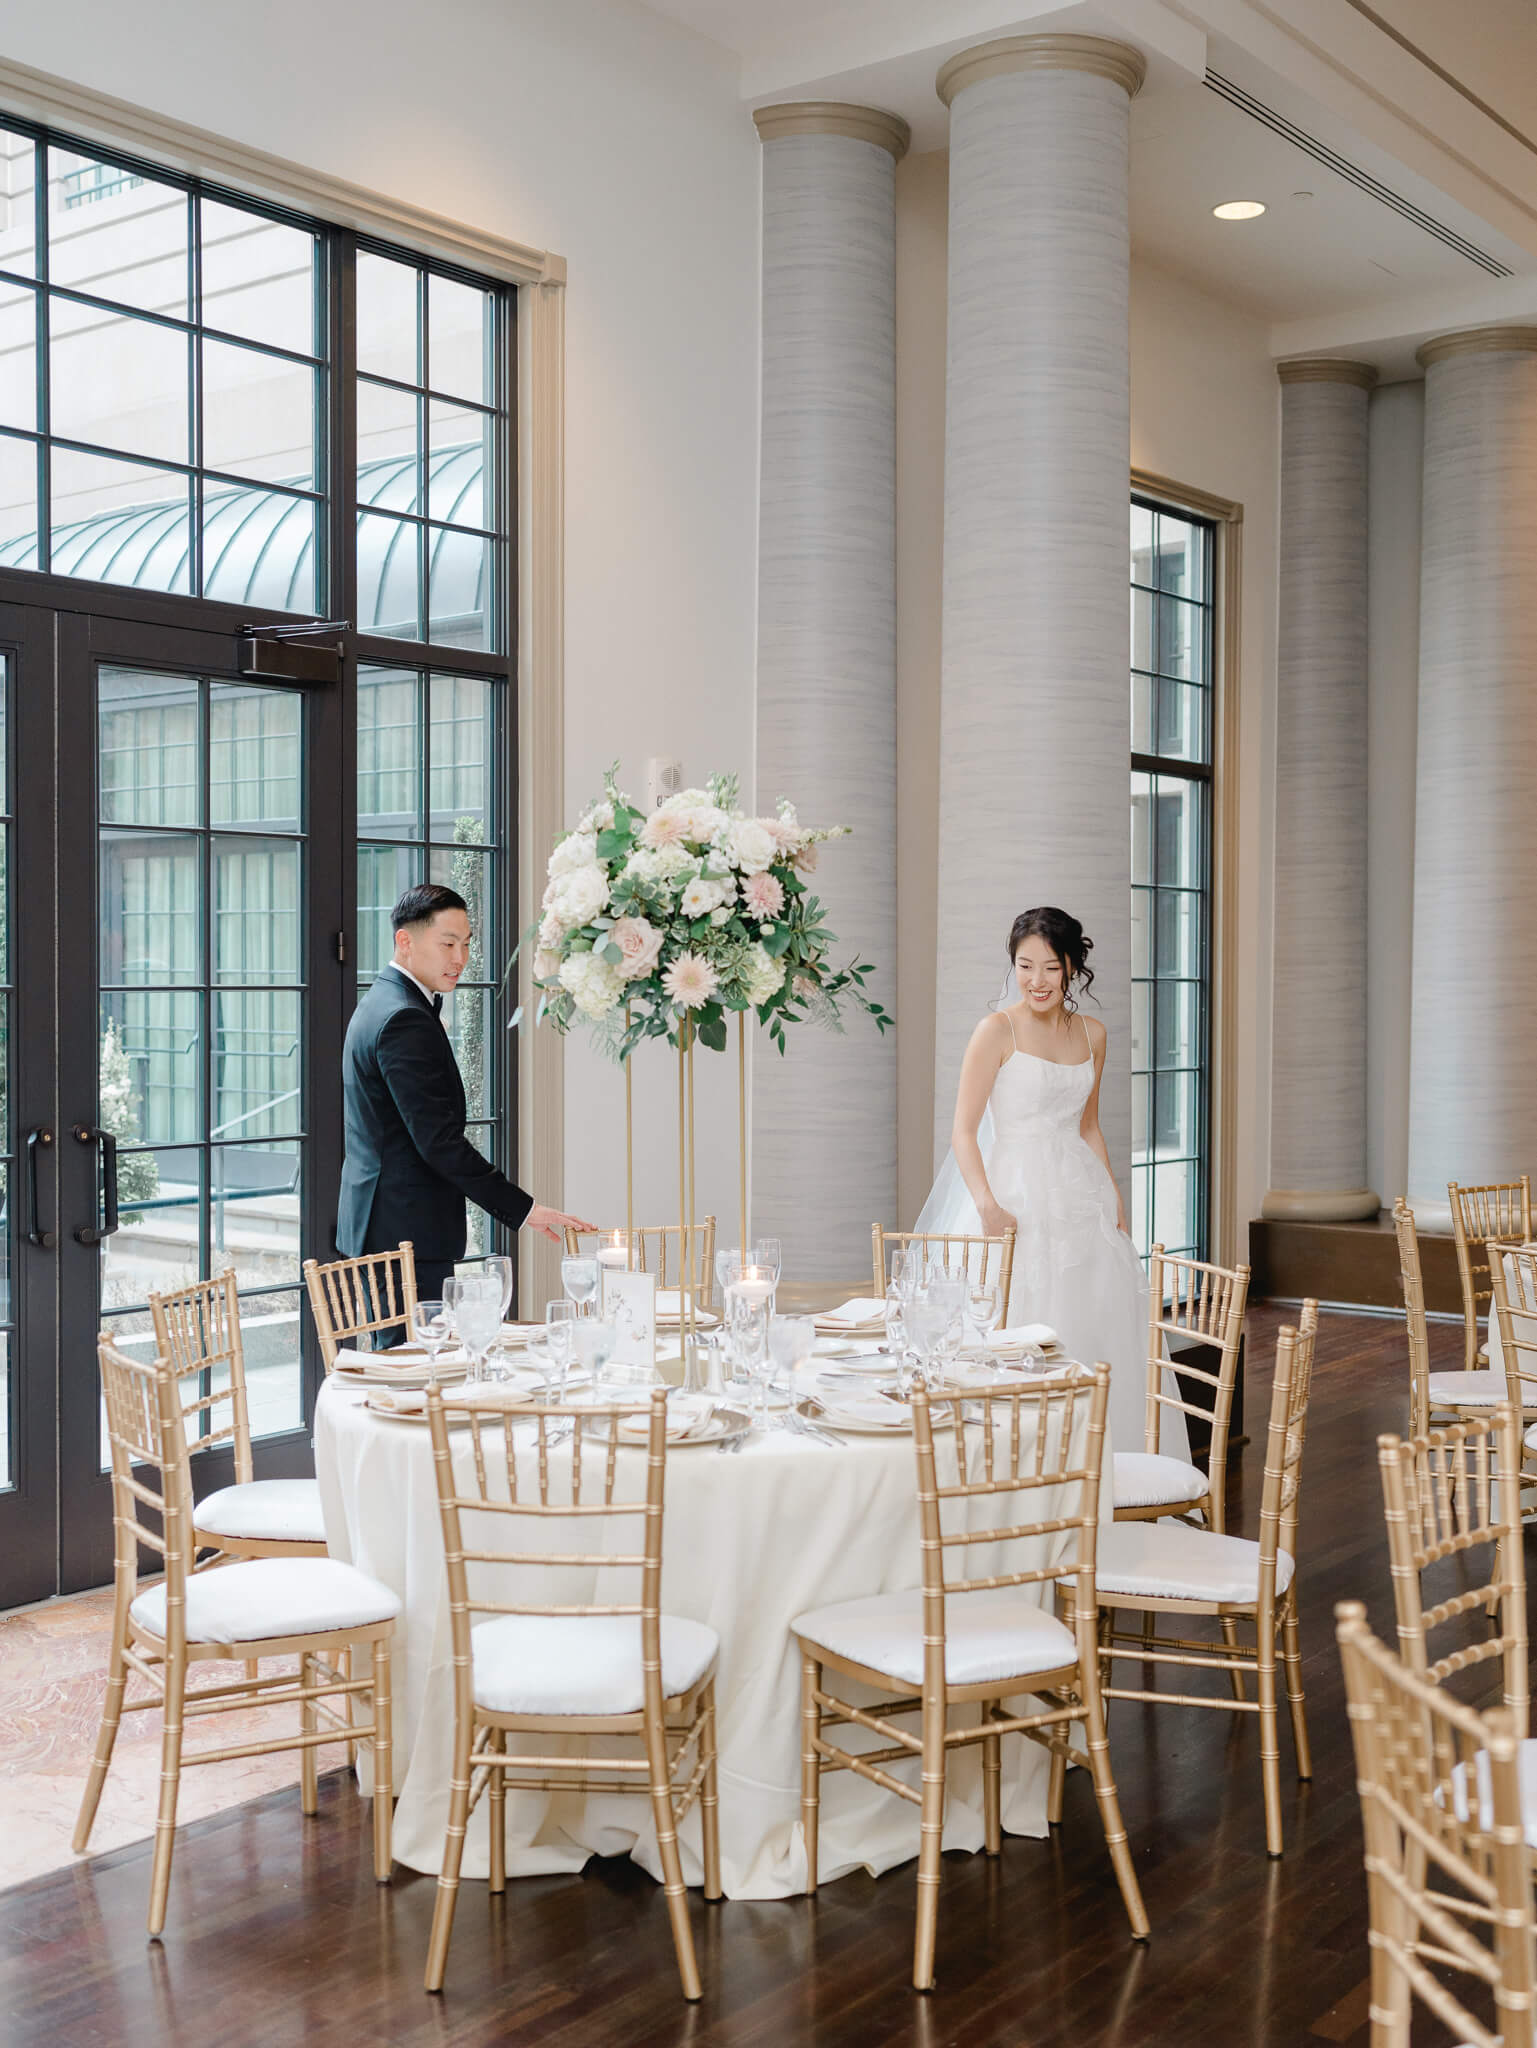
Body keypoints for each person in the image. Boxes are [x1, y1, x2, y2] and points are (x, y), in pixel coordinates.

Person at [916, 905, 1183, 1458]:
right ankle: (1016, 1475)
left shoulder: (1093, 1034)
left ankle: (1100, 1477)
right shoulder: (996, 1030)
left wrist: (1113, 1196)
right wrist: (987, 1205)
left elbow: (1088, 1125)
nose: (1037, 981)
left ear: (1071, 967)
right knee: (1016, 1327)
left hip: (1081, 1200)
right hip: (1012, 1199)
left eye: (1051, 968)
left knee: (1094, 1326)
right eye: (1024, 965)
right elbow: (963, 1133)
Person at [338, 882, 592, 1326]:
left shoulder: (384, 1001)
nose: (460, 958)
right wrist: (525, 1208)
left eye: (467, 944)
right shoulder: (403, 1017)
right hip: (404, 1238)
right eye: (448, 943)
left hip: (387, 1226)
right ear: (405, 940)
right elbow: (439, 1142)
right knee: (417, 1373)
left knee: (414, 1371)